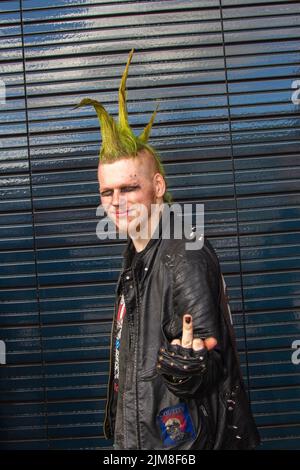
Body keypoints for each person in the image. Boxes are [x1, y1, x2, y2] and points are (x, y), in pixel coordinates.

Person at [76, 49, 260, 450]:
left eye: (129, 187)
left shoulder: (183, 252)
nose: (116, 200)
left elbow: (209, 359)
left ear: (157, 186)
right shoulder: (139, 257)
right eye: (107, 191)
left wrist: (190, 368)